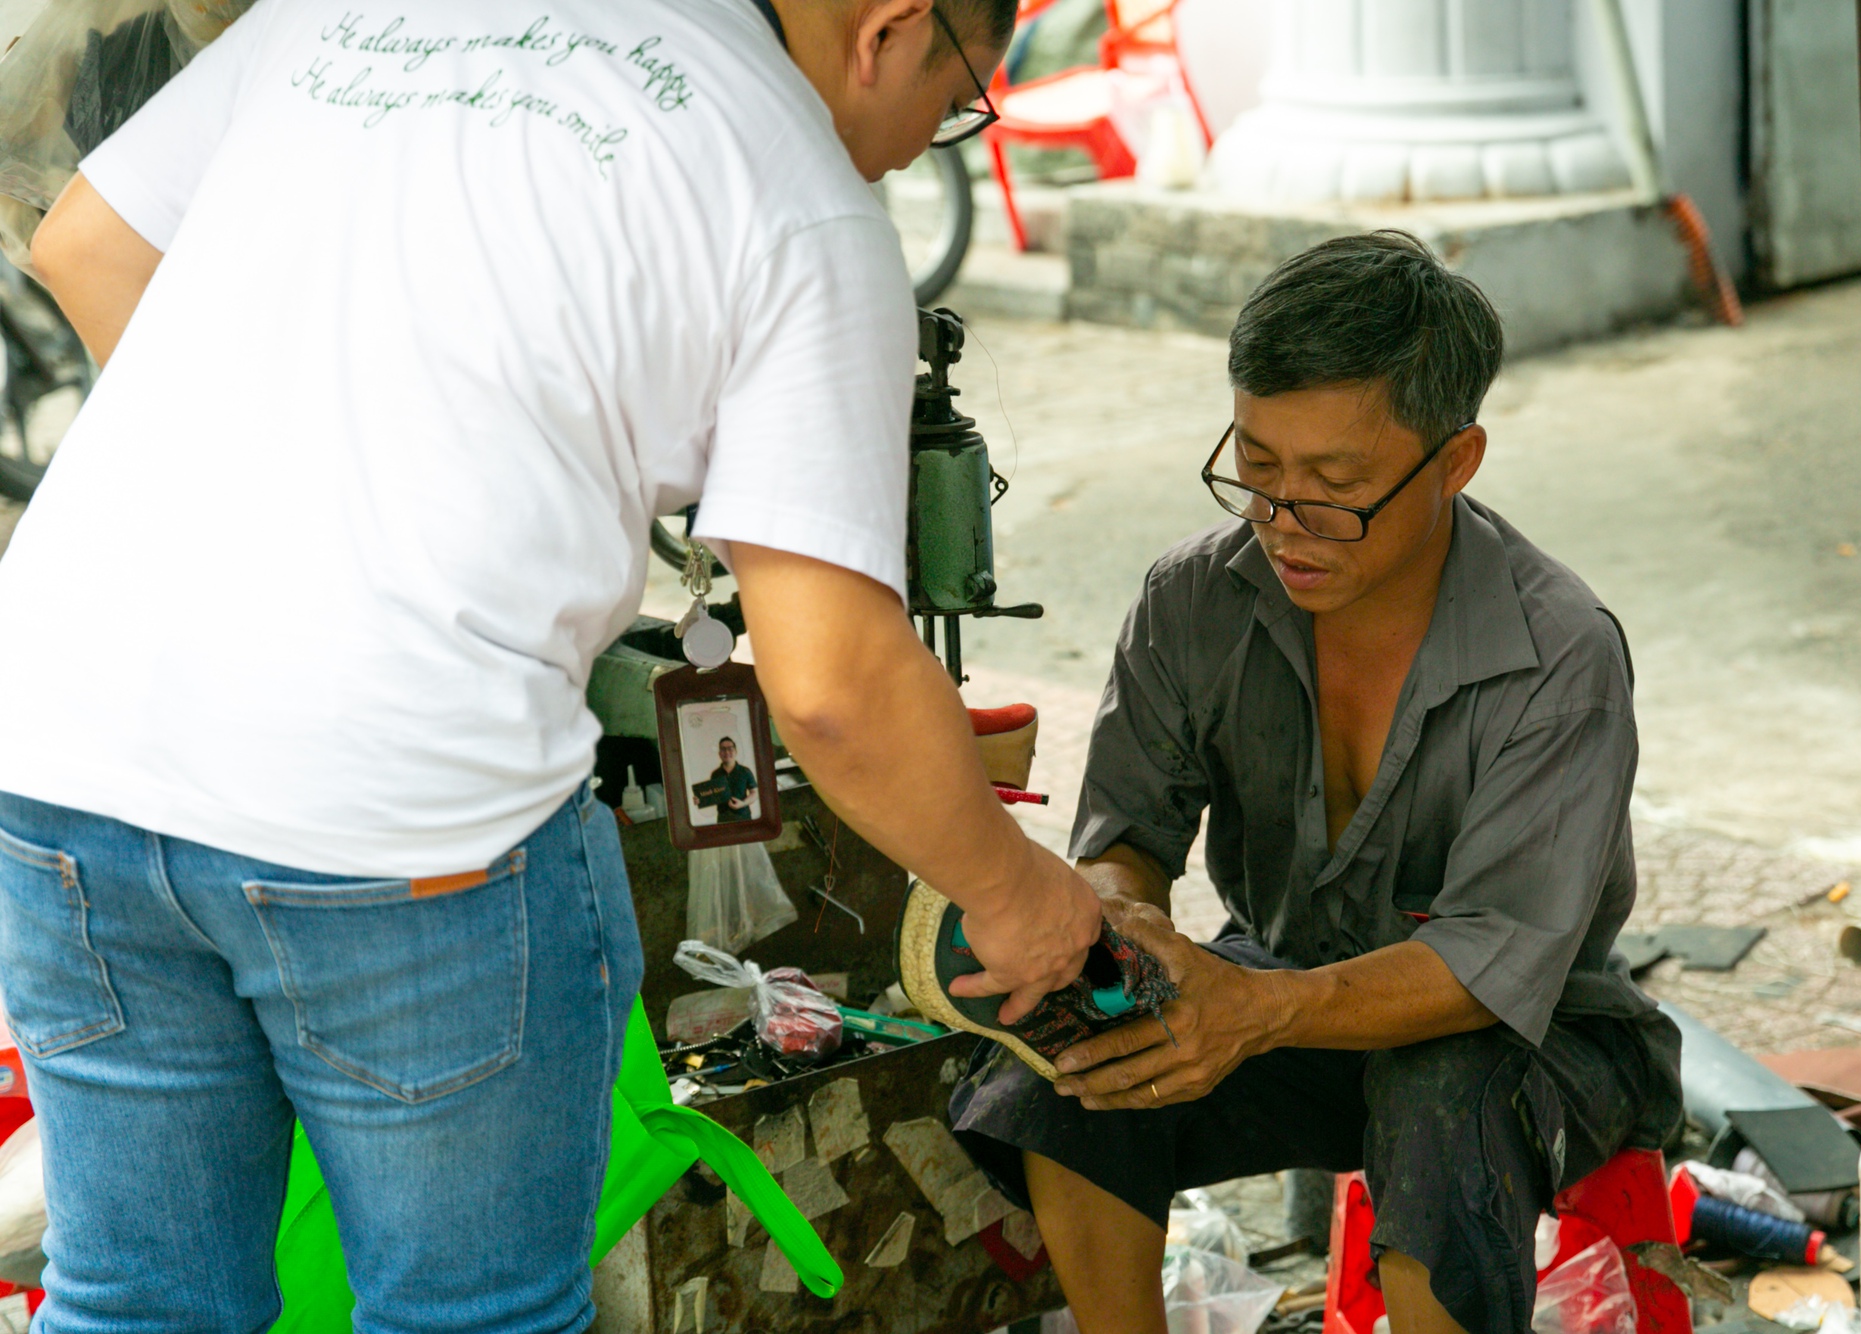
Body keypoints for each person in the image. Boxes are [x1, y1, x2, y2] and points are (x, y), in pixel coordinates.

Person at [0, 0, 1102, 1328]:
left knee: (136, 1300)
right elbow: (834, 683)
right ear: (890, 28)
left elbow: (85, 240)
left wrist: (298, 495)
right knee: (468, 1312)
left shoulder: (371, 7)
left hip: (62, 744)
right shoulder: (794, 186)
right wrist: (1016, 892)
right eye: (959, 92)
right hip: (396, 811)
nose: (927, 139)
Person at [950, 233, 1683, 1334]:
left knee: (1436, 1096)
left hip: (1542, 1037)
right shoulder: (1193, 599)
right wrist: (1115, 915)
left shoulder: (1556, 651)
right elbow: (1126, 831)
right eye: (1255, 465)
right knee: (1069, 1066)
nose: (1282, 519)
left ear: (1453, 461)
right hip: (1287, 990)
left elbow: (1492, 961)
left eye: (1334, 484)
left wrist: (1254, 1008)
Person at [710, 736, 758, 823]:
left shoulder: (745, 771)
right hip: (723, 818)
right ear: (719, 753)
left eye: (730, 748)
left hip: (743, 816)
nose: (727, 752)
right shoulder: (715, 774)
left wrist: (743, 803)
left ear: (735, 752)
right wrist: (700, 799)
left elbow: (754, 792)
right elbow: (712, 795)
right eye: (723, 749)